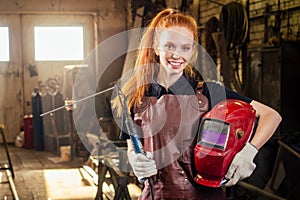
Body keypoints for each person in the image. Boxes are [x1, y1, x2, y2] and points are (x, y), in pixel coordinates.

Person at [111, 8, 282, 200]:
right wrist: (135, 160)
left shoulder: (209, 92)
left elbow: (271, 116)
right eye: (169, 46)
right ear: (156, 48)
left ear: (192, 51)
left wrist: (249, 151)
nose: (177, 55)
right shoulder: (136, 98)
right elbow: (134, 145)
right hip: (155, 196)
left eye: (185, 47)